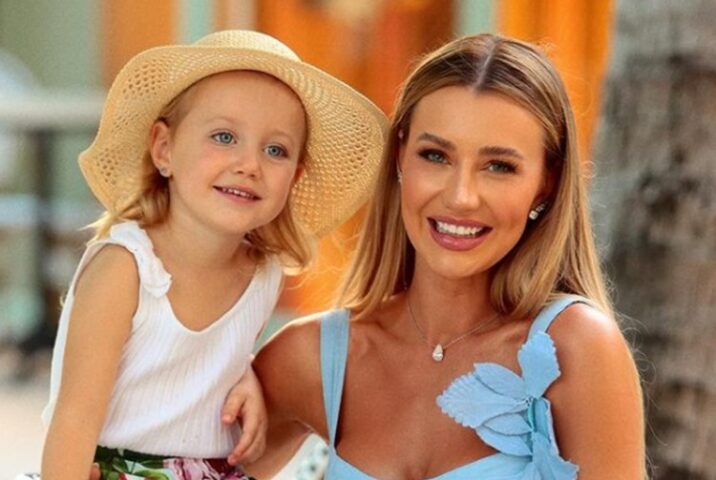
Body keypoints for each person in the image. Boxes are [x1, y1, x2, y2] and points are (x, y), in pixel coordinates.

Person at [224, 33, 646, 479]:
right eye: (435, 156)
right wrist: (216, 370)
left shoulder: (575, 349)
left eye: (499, 166)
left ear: (546, 183)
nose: (461, 196)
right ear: (400, 158)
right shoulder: (315, 357)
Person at [39, 30, 387, 480]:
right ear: (164, 148)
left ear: (295, 177)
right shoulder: (125, 269)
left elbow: (195, 369)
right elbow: (73, 421)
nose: (250, 164)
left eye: (275, 150)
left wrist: (245, 376)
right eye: (224, 137)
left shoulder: (261, 274)